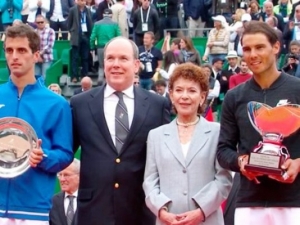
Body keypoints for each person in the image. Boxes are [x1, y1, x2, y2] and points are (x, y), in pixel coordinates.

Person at [70, 36, 170, 225]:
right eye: (110, 58)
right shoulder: (80, 104)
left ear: (136, 64)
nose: (116, 64)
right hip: (93, 211)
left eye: (123, 59)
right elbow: (65, 151)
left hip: (140, 211)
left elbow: (166, 157)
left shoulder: (157, 105)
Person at [217, 21, 300, 225]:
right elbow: (223, 150)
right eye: (247, 49)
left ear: (276, 47)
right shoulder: (234, 97)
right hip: (249, 203)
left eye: (259, 47)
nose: (252, 54)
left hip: (294, 202)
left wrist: (298, 163)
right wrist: (241, 162)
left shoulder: (298, 90)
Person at [0, 24, 73, 224]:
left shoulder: (56, 104)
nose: (14, 56)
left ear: (36, 55)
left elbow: (65, 154)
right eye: (9, 50)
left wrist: (44, 157)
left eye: (22, 50)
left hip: (33, 210)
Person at [143, 63, 232, 225]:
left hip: (207, 220)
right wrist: (162, 211)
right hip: (168, 221)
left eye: (192, 91)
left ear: (202, 97)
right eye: (179, 90)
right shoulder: (156, 135)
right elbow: (150, 181)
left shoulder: (217, 132)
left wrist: (201, 211)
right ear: (171, 95)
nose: (184, 96)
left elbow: (223, 179)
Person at [90, 8, 121, 84]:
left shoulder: (97, 24)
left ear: (103, 15)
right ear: (111, 15)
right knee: (111, 65)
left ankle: (100, 81)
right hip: (112, 48)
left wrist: (92, 47)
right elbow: (119, 37)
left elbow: (92, 37)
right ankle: (110, 81)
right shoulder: (115, 24)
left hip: (100, 48)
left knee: (101, 66)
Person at [68, 0, 93, 83]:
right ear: (77, 1)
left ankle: (84, 75)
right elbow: (69, 24)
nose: (83, 2)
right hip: (76, 36)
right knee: (75, 57)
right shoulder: (72, 10)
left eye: (84, 1)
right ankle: (74, 76)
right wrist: (73, 31)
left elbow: (90, 23)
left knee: (85, 57)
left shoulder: (88, 10)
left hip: (86, 35)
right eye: (81, 0)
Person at [50, 159, 80, 225]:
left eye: (66, 175)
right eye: (60, 175)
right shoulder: (52, 202)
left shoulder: (90, 201)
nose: (62, 179)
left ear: (79, 176)